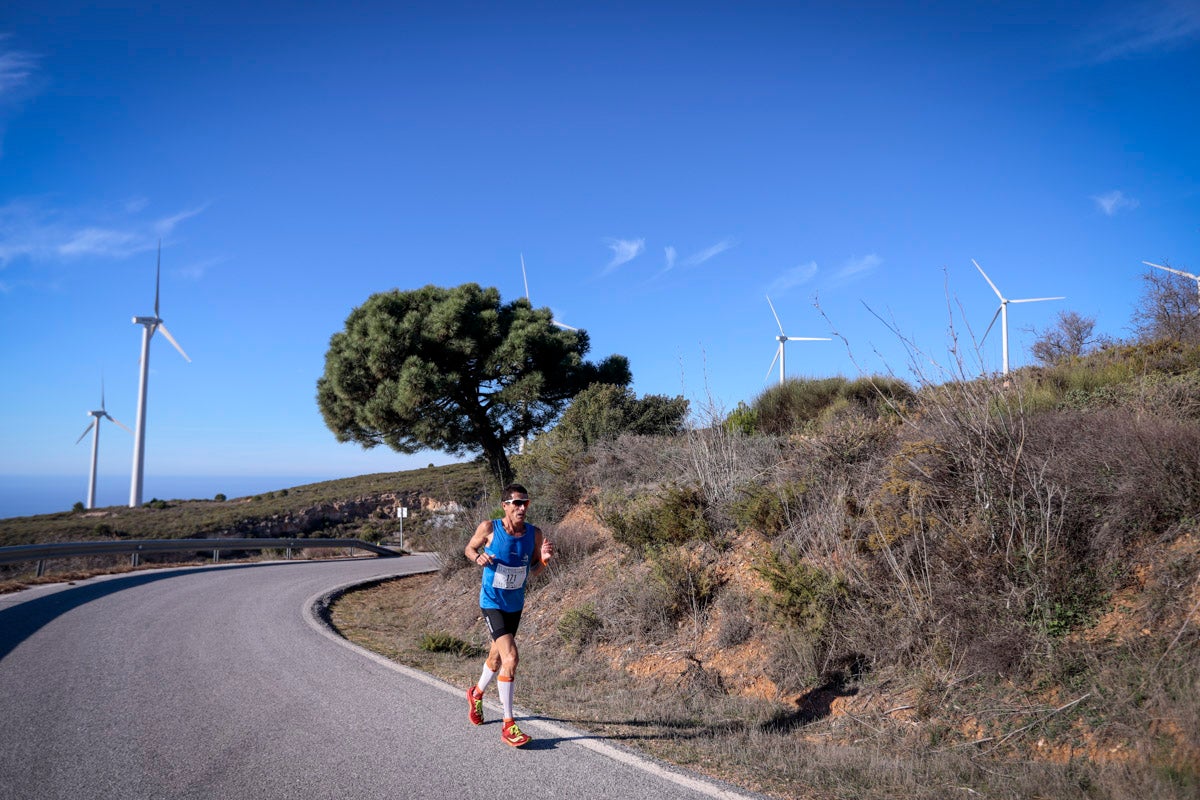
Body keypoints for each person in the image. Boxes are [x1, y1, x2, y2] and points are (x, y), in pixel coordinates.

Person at [463, 483, 553, 747]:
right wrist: (476, 557)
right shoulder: (489, 528)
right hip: (492, 602)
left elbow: (533, 571)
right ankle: (508, 724)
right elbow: (469, 549)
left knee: (495, 656)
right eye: (516, 503)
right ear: (505, 506)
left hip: (515, 604)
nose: (521, 507)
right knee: (511, 657)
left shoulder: (534, 535)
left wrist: (545, 560)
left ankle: (476, 693)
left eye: (525, 502)